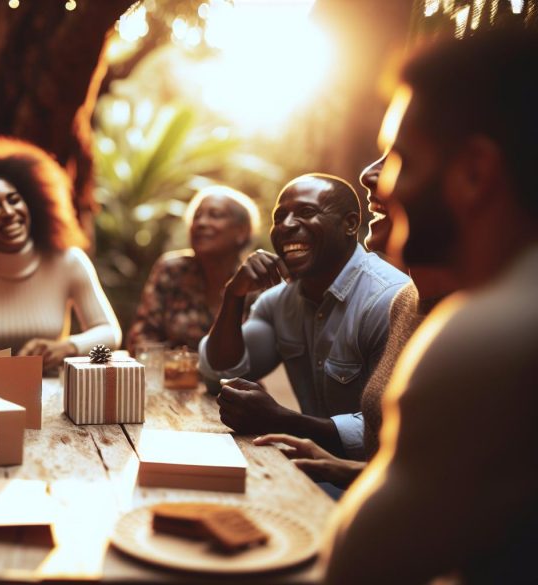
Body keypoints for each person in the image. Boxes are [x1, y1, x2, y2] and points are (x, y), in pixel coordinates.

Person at [326, 32, 538, 584]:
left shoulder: (490, 333)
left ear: (473, 173)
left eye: (403, 159)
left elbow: (357, 569)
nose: (381, 183)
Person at [253, 155, 461, 487]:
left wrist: (289, 421)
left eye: (401, 156)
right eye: (281, 217)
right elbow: (419, 469)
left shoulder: (392, 297)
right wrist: (337, 467)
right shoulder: (408, 302)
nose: (366, 174)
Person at [199, 174, 409, 458]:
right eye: (279, 216)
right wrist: (233, 296)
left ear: (349, 224)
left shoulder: (388, 300)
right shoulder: (277, 303)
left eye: (307, 212)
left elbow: (393, 431)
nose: (286, 226)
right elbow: (219, 374)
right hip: (310, 472)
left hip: (371, 482)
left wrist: (282, 420)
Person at [0, 137, 121, 373]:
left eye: (14, 199)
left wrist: (67, 347)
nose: (8, 212)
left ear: (34, 205)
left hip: (55, 395)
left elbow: (110, 333)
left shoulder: (69, 261)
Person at [126, 185, 261, 354]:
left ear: (242, 231)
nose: (201, 223)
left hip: (236, 379)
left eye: (215, 215)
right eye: (197, 217)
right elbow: (140, 339)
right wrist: (180, 367)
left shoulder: (257, 280)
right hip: (174, 378)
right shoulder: (171, 270)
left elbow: (262, 352)